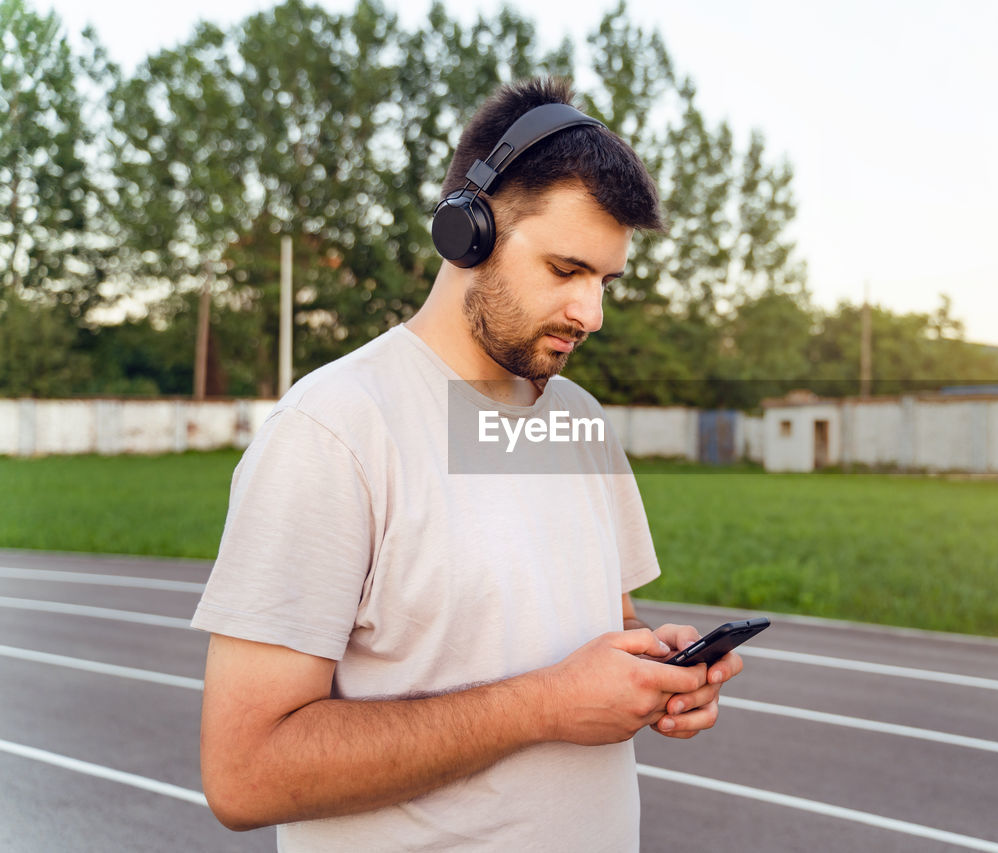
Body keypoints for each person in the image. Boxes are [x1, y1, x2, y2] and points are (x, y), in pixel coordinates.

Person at [191, 77, 744, 851]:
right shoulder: (334, 430)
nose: (592, 314)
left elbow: (597, 619)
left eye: (605, 281)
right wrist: (545, 705)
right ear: (467, 232)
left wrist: (651, 667)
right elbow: (246, 772)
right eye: (565, 270)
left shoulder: (578, 422)